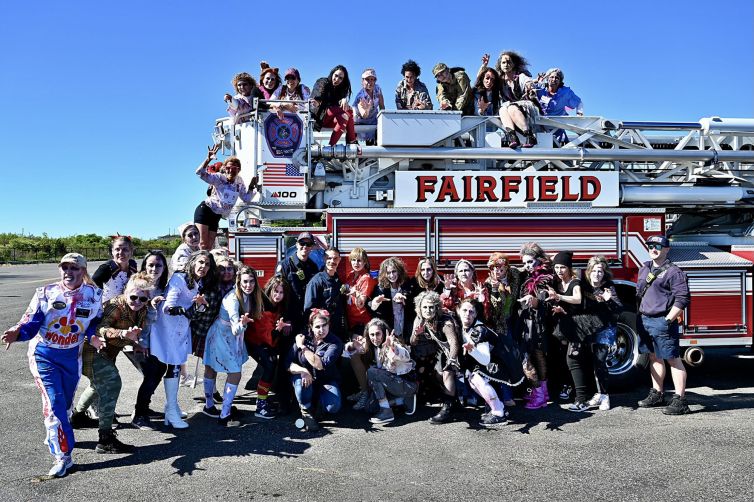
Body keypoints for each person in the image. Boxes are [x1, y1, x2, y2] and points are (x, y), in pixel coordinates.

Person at [2, 253, 104, 478]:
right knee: (55, 405)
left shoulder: (94, 295)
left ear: (83, 271)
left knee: (65, 406)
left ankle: (56, 435)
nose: (69, 272)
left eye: (74, 268)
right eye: (65, 267)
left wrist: (94, 336)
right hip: (44, 356)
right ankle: (63, 456)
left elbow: (95, 321)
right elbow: (31, 324)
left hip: (71, 358)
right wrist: (16, 333)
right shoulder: (46, 293)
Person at [80, 274, 152, 453]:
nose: (137, 301)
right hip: (92, 349)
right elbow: (101, 328)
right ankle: (105, 439)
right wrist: (122, 334)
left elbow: (135, 331)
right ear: (126, 292)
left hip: (108, 352)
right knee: (112, 383)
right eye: (133, 297)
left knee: (97, 385)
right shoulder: (115, 306)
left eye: (142, 298)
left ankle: (78, 416)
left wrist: (135, 344)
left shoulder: (142, 309)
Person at [150, 250, 217, 429]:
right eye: (201, 262)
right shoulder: (179, 278)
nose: (203, 267)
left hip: (181, 330)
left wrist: (200, 306)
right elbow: (168, 306)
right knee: (173, 367)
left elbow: (194, 312)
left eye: (207, 264)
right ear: (193, 262)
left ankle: (171, 407)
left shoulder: (198, 282)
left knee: (176, 367)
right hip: (167, 331)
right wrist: (185, 311)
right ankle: (171, 411)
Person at [636, 235, 691, 415]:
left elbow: (682, 299)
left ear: (667, 249)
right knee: (653, 357)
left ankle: (680, 400)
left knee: (673, 359)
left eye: (658, 246)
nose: (653, 249)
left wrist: (668, 320)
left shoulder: (674, 272)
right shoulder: (644, 268)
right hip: (645, 320)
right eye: (650, 245)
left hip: (662, 321)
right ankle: (657, 394)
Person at [202, 266, 260, 427]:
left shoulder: (250, 295)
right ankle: (221, 413)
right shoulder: (232, 299)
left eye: (251, 281)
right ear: (238, 282)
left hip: (231, 337)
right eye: (245, 282)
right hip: (221, 334)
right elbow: (235, 328)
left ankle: (217, 408)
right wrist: (242, 324)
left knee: (219, 369)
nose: (249, 285)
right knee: (228, 371)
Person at [273, 231, 320, 414]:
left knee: (303, 358)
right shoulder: (285, 265)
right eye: (302, 244)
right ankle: (283, 401)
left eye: (308, 245)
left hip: (305, 321)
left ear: (312, 247)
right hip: (288, 322)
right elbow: (276, 294)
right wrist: (282, 322)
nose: (304, 248)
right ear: (296, 244)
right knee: (285, 359)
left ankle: (303, 397)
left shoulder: (313, 266)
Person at [457, 299, 525, 426]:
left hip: (503, 362)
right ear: (458, 311)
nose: (467, 314)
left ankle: (498, 413)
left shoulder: (479, 330)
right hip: (494, 362)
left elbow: (485, 359)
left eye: (471, 312)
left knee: (476, 379)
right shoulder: (462, 327)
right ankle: (499, 407)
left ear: (476, 314)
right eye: (464, 310)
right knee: (472, 380)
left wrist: (471, 350)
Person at [130, 251, 171, 430]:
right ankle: (139, 415)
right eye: (151, 265)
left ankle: (144, 407)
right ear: (144, 266)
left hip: (154, 340)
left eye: (159, 265)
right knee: (152, 372)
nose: (154, 268)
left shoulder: (163, 287)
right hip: (137, 338)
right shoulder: (139, 285)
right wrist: (141, 342)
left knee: (160, 368)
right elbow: (138, 315)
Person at [194, 144, 259, 251]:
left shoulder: (239, 182)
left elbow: (246, 199)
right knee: (202, 244)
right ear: (224, 168)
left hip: (216, 216)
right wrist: (208, 159)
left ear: (239, 170)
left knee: (209, 246)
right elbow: (199, 173)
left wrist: (252, 187)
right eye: (228, 168)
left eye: (234, 168)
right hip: (205, 210)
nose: (230, 170)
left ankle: (208, 266)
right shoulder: (219, 178)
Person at [287, 310, 344, 431]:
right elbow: (288, 363)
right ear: (311, 327)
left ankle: (317, 405)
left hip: (325, 379)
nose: (321, 329)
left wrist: (302, 347)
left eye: (324, 325)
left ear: (329, 326)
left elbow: (319, 365)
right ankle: (305, 409)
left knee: (333, 407)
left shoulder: (335, 342)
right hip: (304, 377)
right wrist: (302, 370)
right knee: (302, 385)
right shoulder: (302, 337)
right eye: (317, 326)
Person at [580, 255, 623, 411]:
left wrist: (608, 300)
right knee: (587, 362)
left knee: (600, 362)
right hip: (587, 328)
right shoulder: (584, 286)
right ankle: (596, 394)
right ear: (589, 271)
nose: (597, 274)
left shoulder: (608, 287)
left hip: (605, 328)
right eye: (594, 271)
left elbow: (619, 309)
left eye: (601, 271)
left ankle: (605, 396)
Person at [244, 275, 291, 419]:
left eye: (281, 292)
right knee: (270, 366)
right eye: (275, 291)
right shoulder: (264, 308)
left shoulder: (278, 306)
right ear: (270, 290)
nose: (278, 295)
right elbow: (268, 337)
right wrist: (279, 329)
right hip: (255, 343)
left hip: (265, 342)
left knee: (273, 364)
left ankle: (264, 401)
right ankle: (261, 406)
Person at [411, 291, 461, 424]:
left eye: (431, 307)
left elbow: (454, 342)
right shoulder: (420, 319)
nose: (428, 310)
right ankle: (453, 400)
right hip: (441, 351)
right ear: (420, 308)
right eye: (425, 307)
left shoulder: (445, 321)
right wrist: (417, 334)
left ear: (437, 308)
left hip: (460, 351)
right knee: (435, 373)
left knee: (446, 372)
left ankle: (447, 408)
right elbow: (412, 342)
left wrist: (452, 360)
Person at [357, 318, 418, 424]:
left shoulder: (394, 343)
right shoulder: (374, 348)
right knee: (369, 408)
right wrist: (351, 346)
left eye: (378, 334)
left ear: (384, 333)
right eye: (372, 335)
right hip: (392, 385)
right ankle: (403, 400)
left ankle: (387, 412)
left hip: (407, 384)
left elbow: (405, 356)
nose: (375, 338)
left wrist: (393, 348)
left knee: (372, 372)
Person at [516, 242, 554, 410]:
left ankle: (539, 395)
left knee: (528, 361)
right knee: (537, 359)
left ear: (539, 261)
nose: (527, 266)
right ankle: (543, 394)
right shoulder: (527, 276)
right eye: (524, 263)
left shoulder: (545, 278)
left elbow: (548, 303)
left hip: (536, 326)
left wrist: (535, 301)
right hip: (529, 324)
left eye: (530, 262)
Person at [483, 252, 522, 407]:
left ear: (506, 267)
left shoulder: (514, 274)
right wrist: (496, 291)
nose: (496, 271)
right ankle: (504, 397)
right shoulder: (488, 283)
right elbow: (501, 310)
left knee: (520, 359)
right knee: (501, 360)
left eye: (500, 267)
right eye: (493, 268)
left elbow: (525, 271)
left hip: (518, 321)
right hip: (500, 326)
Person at [546, 251, 583, 409]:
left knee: (572, 361)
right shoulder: (556, 283)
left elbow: (578, 299)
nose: (559, 270)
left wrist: (559, 298)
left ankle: (580, 394)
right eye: (556, 267)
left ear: (569, 268)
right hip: (560, 327)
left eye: (562, 267)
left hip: (575, 328)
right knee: (560, 359)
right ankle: (566, 386)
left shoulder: (575, 283)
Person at [342, 248, 377, 409]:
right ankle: (364, 390)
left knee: (357, 357)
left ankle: (366, 394)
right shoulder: (350, 277)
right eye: (354, 260)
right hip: (352, 323)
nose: (356, 263)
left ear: (365, 262)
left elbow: (361, 303)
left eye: (359, 260)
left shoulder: (366, 278)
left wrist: (355, 294)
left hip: (363, 325)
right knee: (358, 359)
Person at [492, 51, 541, 149]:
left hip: (527, 109)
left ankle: (530, 136)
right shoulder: (500, 80)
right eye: (503, 62)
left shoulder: (520, 76)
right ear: (500, 65)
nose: (506, 65)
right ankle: (513, 137)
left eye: (509, 62)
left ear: (514, 64)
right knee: (502, 109)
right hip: (511, 111)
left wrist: (530, 88)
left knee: (511, 107)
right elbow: (483, 80)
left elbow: (528, 82)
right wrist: (483, 66)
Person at [304, 247, 346, 341]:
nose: (332, 261)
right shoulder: (316, 281)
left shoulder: (338, 280)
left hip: (337, 330)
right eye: (329, 258)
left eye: (335, 258)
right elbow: (308, 309)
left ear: (339, 260)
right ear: (324, 259)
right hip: (322, 333)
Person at [310, 65, 358, 145]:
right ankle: (352, 141)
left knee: (344, 117)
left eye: (340, 78)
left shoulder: (340, 90)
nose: (337, 79)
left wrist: (343, 99)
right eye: (336, 76)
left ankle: (330, 147)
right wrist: (317, 101)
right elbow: (318, 93)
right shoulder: (323, 82)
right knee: (349, 110)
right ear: (332, 73)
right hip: (319, 116)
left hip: (330, 120)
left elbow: (339, 106)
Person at [404, 257, 444, 339]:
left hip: (437, 320)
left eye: (428, 269)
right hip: (418, 320)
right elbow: (409, 304)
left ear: (433, 270)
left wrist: (448, 289)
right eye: (422, 270)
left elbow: (444, 301)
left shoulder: (440, 282)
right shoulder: (413, 283)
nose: (426, 273)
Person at [92, 235, 138, 303]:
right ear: (112, 252)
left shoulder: (133, 265)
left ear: (131, 252)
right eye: (117, 249)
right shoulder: (106, 268)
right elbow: (92, 286)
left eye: (125, 249)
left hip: (128, 308)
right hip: (109, 310)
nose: (121, 253)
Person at [352, 68, 385, 144]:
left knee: (376, 139)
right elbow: (364, 115)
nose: (370, 82)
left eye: (372, 79)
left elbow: (382, 106)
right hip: (360, 120)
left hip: (373, 118)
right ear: (362, 81)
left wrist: (383, 120)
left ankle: (374, 154)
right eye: (367, 79)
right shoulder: (361, 96)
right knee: (359, 147)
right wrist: (367, 109)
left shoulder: (377, 89)